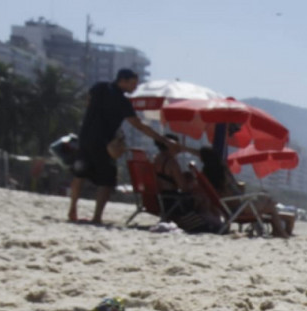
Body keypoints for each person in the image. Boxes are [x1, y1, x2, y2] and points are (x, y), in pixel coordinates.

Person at [69, 68, 176, 224]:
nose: (135, 88)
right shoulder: (122, 101)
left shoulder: (99, 87)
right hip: (105, 143)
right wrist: (161, 139)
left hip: (85, 137)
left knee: (79, 174)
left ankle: (72, 210)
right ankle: (97, 216)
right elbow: (138, 125)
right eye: (133, 84)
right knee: (106, 180)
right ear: (123, 81)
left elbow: (88, 100)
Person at [198, 146, 293, 237]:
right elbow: (235, 191)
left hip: (233, 207)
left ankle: (279, 232)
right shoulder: (223, 177)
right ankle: (281, 233)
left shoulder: (208, 176)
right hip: (240, 207)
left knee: (269, 202)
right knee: (270, 203)